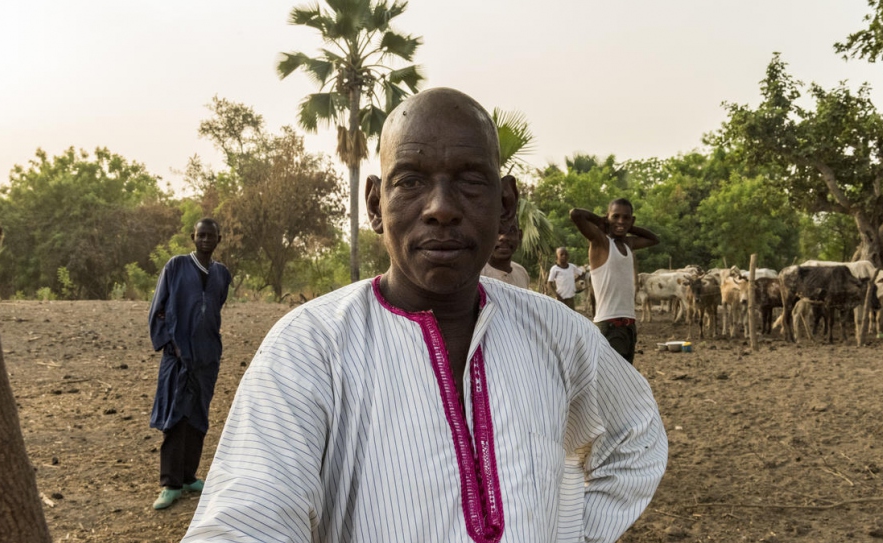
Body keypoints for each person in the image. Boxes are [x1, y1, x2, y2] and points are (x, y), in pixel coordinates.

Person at [182, 88, 666, 542]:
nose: (440, 209)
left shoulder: (559, 334)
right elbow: (244, 520)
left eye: (471, 181)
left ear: (505, 205)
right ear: (375, 203)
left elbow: (636, 437)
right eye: (411, 181)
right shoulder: (309, 347)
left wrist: (572, 531)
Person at [148, 218, 232, 510]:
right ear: (193, 237)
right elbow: (158, 308)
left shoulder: (222, 274)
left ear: (219, 239)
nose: (206, 239)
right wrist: (169, 345)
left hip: (207, 357)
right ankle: (170, 484)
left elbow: (214, 307)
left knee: (198, 415)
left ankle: (188, 477)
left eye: (211, 235)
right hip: (178, 356)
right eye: (201, 235)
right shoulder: (176, 266)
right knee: (175, 415)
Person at [570, 200, 659, 364]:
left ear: (632, 220)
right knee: (611, 382)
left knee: (624, 380)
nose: (621, 221)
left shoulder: (628, 244)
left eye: (626, 218)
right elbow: (576, 214)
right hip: (609, 323)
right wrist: (602, 222)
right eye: (616, 216)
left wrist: (627, 227)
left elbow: (654, 239)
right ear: (607, 217)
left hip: (629, 324)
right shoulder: (601, 242)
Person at [480, 187, 531, 289]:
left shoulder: (522, 273)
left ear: (519, 235)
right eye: (497, 231)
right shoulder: (476, 275)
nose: (503, 237)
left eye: (511, 231)